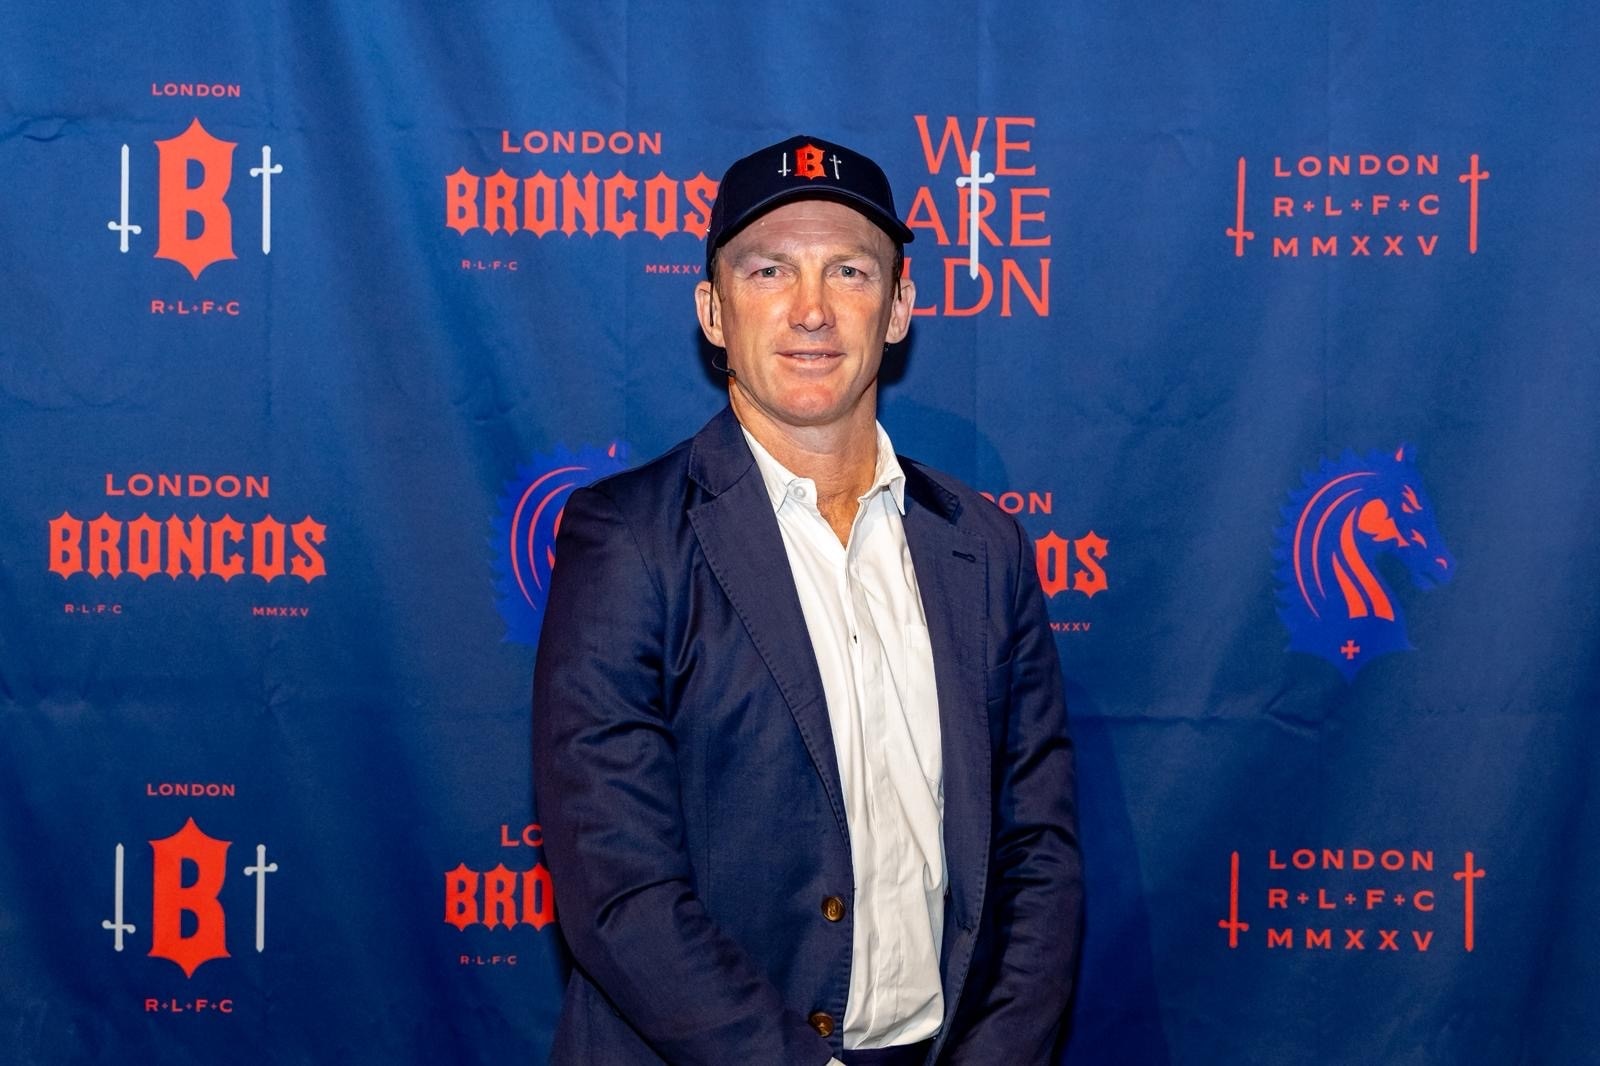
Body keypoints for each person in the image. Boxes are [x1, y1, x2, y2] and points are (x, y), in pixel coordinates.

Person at [532, 134, 1081, 1066]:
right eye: (769, 270)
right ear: (713, 311)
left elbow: (1040, 856)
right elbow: (620, 889)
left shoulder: (984, 546)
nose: (813, 309)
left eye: (850, 271)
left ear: (899, 308)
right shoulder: (626, 540)